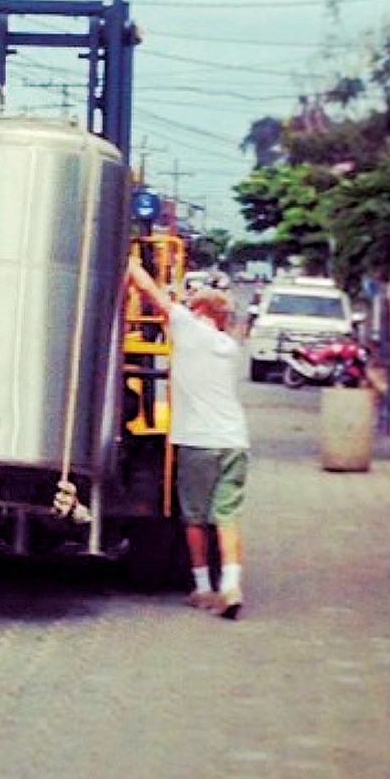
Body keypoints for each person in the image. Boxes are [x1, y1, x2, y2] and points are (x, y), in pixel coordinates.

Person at [126, 257, 251, 619]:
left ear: (202, 312)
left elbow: (152, 294)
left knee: (194, 517)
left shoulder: (191, 329)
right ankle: (230, 584)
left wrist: (131, 262)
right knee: (226, 516)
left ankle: (202, 587)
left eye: (192, 304)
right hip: (234, 442)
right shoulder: (228, 347)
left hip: (198, 443)